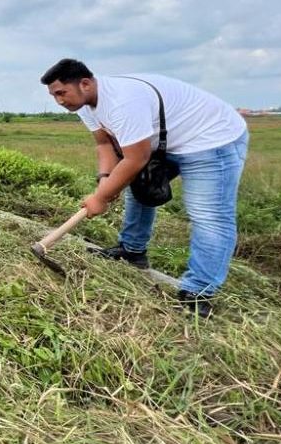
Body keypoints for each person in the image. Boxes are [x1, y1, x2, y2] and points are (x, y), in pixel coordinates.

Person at [41, 58, 249, 319]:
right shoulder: (85, 104)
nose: (59, 101)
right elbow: (104, 144)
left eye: (61, 93)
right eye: (54, 96)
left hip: (211, 140)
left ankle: (199, 291)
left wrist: (101, 198)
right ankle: (132, 251)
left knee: (208, 216)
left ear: (85, 83)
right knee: (139, 189)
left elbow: (135, 159)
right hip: (165, 140)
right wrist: (105, 179)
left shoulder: (122, 102)